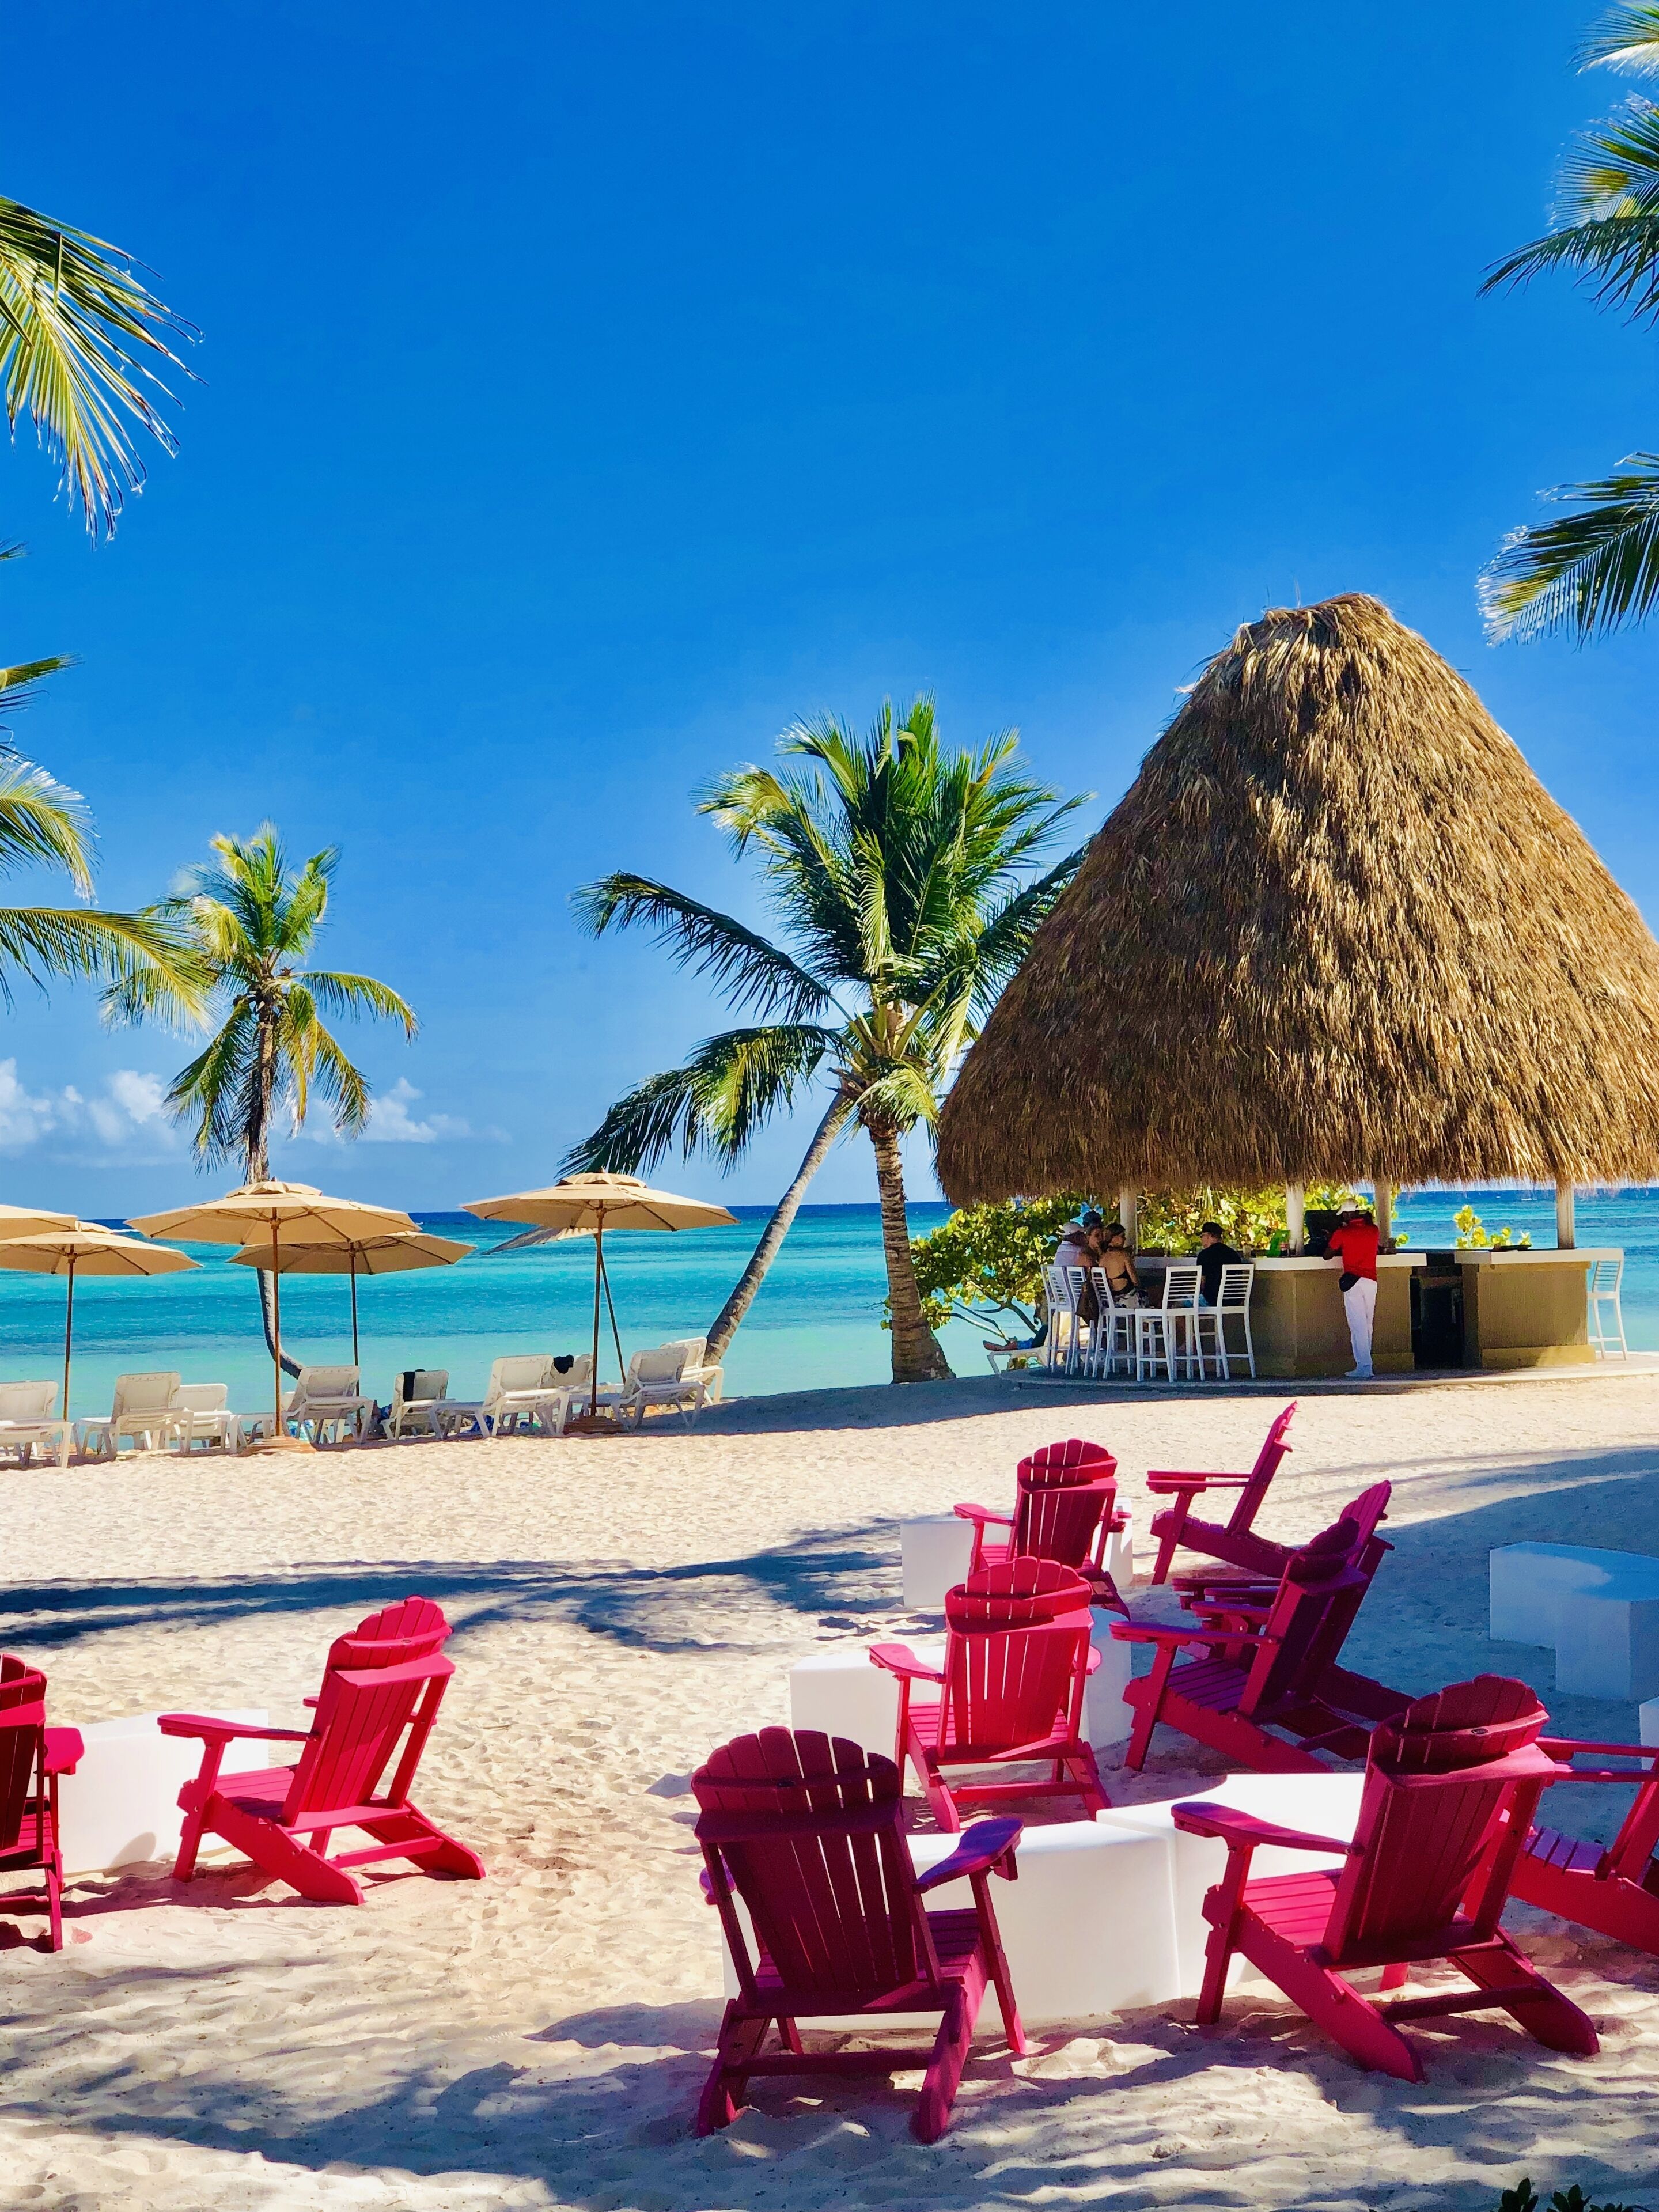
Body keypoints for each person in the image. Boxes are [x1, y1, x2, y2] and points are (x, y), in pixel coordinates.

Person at [1326, 1199, 1380, 1379]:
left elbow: (1327, 1255)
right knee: (1367, 1325)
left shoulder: (1343, 1232)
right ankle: (1366, 1364)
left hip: (1353, 1282)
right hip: (1371, 1281)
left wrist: (1333, 1234)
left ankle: (1364, 1366)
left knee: (1357, 1325)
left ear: (1347, 1215)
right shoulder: (1374, 1230)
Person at [1195, 1221, 1242, 1308]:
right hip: (1235, 1300)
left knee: (1178, 1307)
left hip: (1212, 1300)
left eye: (1202, 1236)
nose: (1201, 1240)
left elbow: (1201, 1285)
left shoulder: (1205, 1255)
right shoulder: (1234, 1254)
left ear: (1210, 1236)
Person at [1096, 1222, 1141, 1308]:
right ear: (1113, 1238)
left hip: (1109, 1300)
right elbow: (1136, 1281)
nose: (1125, 1239)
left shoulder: (1102, 1257)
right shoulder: (1124, 1256)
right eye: (1122, 1236)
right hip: (1126, 1299)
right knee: (1155, 1292)